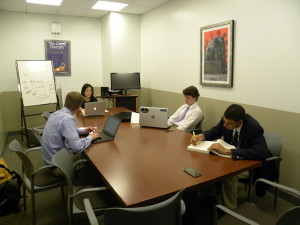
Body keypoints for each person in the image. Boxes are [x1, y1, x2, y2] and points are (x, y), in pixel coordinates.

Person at [191, 104, 277, 209]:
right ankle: (209, 197)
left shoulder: (253, 127)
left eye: (228, 124)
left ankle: (230, 209)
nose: (224, 125)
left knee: (229, 175)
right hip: (229, 159)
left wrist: (229, 152)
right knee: (207, 163)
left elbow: (261, 152)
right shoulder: (227, 119)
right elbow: (216, 130)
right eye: (224, 121)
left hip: (247, 162)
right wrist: (202, 136)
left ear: (240, 122)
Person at [41, 91, 100, 175]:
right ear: (79, 107)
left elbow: (66, 130)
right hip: (58, 167)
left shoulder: (56, 113)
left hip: (50, 162)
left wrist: (84, 130)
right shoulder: (67, 119)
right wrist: (91, 137)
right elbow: (77, 147)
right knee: (92, 154)